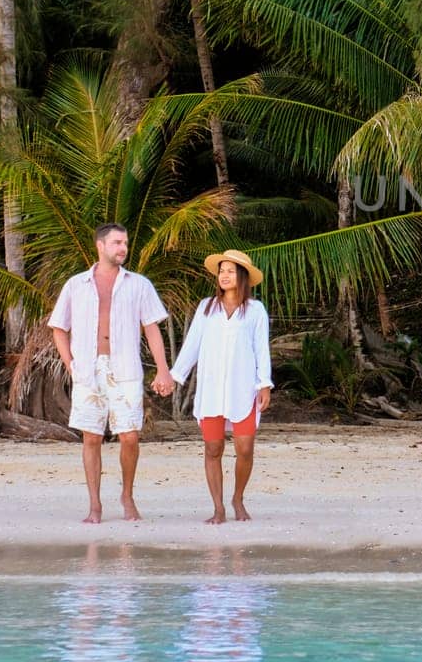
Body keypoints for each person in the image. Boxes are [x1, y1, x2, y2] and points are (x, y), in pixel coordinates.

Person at [48, 223, 175, 524]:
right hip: (88, 370)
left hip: (126, 368)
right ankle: (95, 505)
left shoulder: (139, 284)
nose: (123, 248)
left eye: (126, 243)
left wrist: (163, 370)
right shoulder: (76, 284)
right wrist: (71, 363)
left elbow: (152, 328)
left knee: (129, 436)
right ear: (100, 246)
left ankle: (127, 495)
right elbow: (58, 327)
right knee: (91, 437)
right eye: (117, 243)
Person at [170, 249, 273, 524]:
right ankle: (218, 508)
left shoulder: (255, 310)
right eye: (221, 271)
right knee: (213, 449)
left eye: (230, 271)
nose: (224, 275)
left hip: (244, 388)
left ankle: (238, 497)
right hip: (212, 389)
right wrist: (174, 376)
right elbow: (191, 346)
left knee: (245, 448)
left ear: (242, 276)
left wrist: (265, 384)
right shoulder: (207, 307)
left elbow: (261, 349)